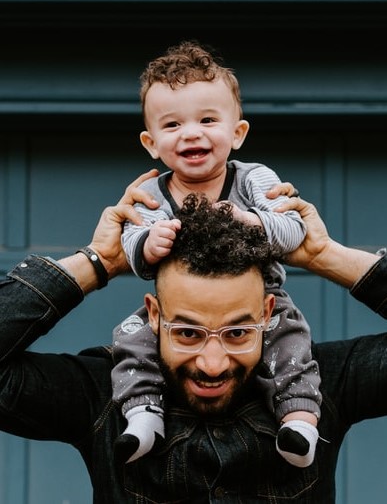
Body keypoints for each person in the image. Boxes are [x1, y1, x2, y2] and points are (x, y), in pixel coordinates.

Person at [1, 170, 387, 503]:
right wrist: (98, 262)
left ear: (267, 314)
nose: (212, 363)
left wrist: (323, 255)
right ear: (154, 315)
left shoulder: (320, 383)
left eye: (238, 332)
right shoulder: (103, 394)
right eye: (188, 332)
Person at [112, 40, 321, 468]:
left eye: (208, 120)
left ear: (237, 133)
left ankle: (299, 419)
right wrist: (147, 244)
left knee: (291, 339)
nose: (191, 133)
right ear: (151, 143)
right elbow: (132, 246)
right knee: (130, 338)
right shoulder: (150, 192)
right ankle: (142, 414)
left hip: (263, 297)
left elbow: (292, 228)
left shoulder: (253, 179)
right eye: (172, 126)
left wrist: (253, 222)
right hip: (178, 309)